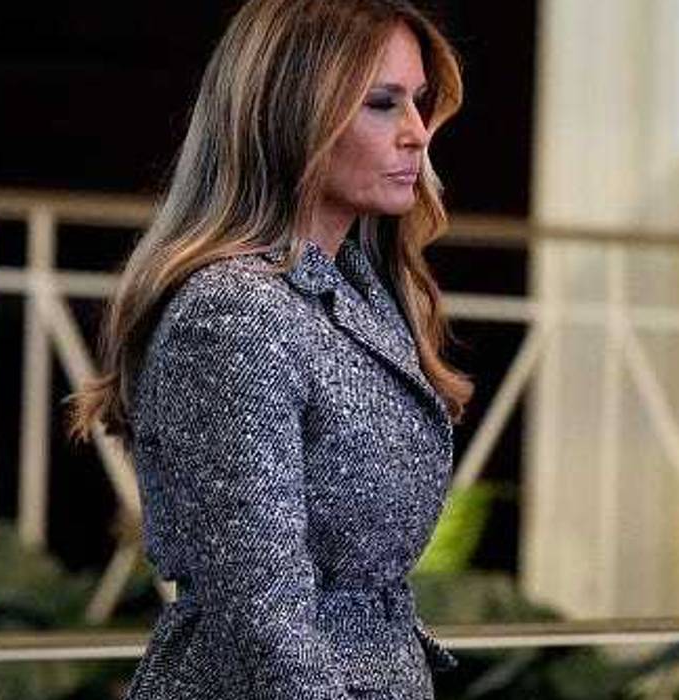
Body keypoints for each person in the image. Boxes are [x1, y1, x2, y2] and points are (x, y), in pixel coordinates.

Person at [68, 0, 471, 697]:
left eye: (418, 104)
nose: (415, 134)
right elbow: (264, 624)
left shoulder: (356, 288)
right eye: (382, 104)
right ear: (292, 117)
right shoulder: (234, 315)